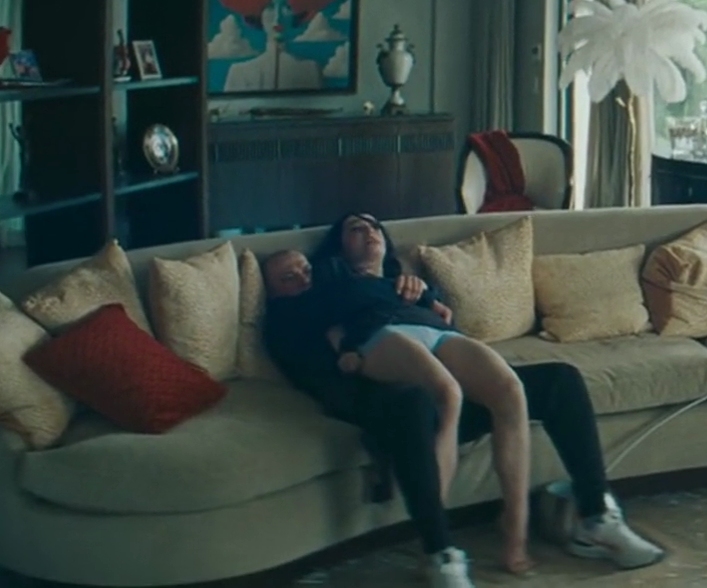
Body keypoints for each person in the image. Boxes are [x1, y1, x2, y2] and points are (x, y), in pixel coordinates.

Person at [262, 217, 663, 588]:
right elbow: (329, 370)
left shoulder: (376, 289)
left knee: (560, 381)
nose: (303, 278)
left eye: (306, 269)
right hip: (391, 401)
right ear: (274, 292)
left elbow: (438, 329)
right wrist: (355, 356)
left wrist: (425, 297)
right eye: (288, 277)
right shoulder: (289, 318)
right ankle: (440, 553)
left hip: (443, 376)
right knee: (416, 401)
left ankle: (596, 515)